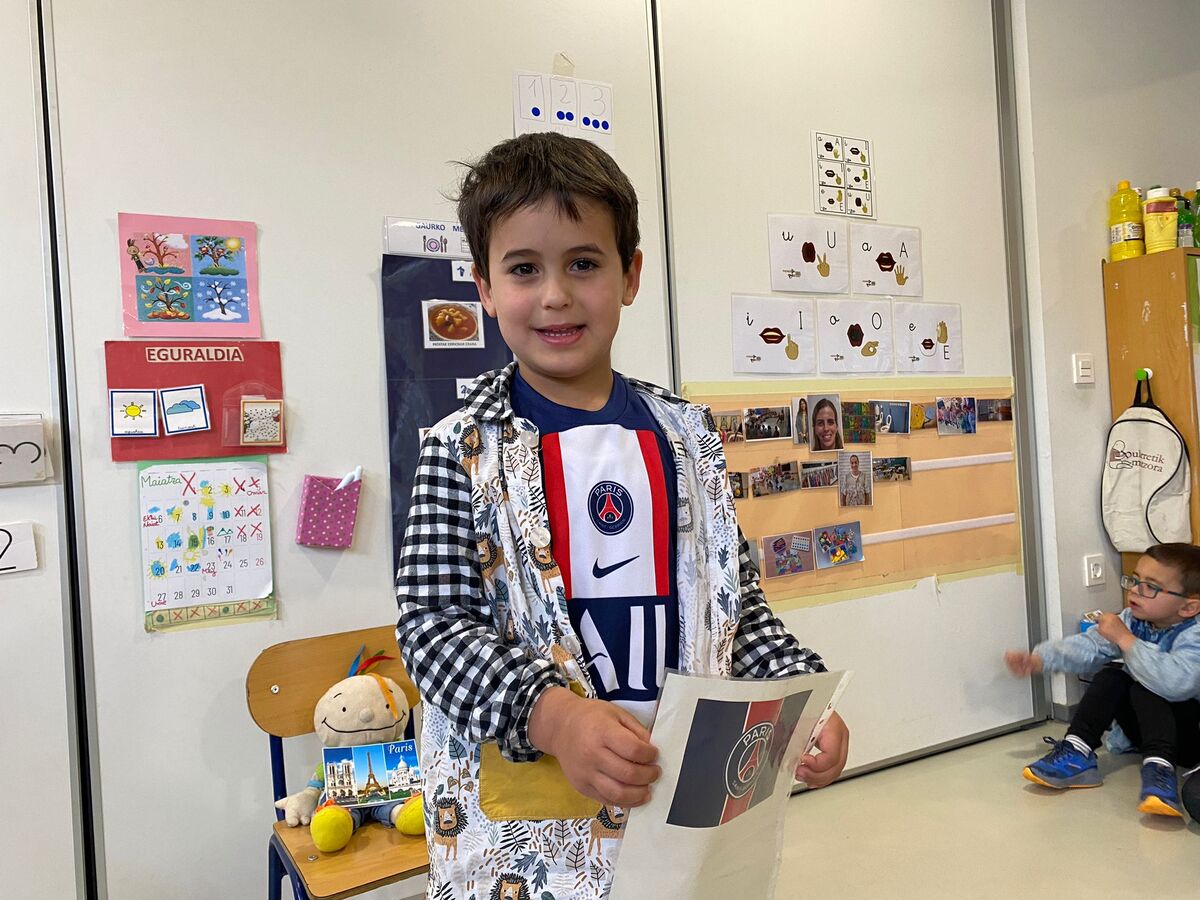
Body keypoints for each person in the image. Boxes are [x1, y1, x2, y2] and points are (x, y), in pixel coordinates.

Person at [395, 132, 849, 898]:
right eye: (523, 269)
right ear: (484, 287)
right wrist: (553, 717)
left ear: (630, 274)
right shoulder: (457, 450)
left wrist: (803, 698)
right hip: (527, 832)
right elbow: (432, 629)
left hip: (679, 811)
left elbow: (737, 615)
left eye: (583, 263)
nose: (555, 295)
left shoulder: (688, 439)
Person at [1004, 543, 1200, 818]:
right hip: (1149, 731)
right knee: (1112, 676)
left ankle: (1160, 770)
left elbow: (1175, 683)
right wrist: (1041, 659)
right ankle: (1077, 750)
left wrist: (1125, 640)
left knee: (1147, 685)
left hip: (1190, 738)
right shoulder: (1132, 620)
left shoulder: (1194, 634)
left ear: (1189, 607)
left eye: (1150, 587)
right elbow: (1090, 646)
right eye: (1134, 580)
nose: (1135, 590)